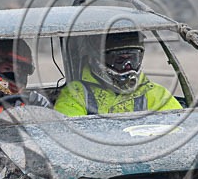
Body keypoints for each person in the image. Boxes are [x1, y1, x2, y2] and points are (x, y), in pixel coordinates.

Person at [53, 32, 182, 116]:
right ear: (97, 60)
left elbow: (178, 133)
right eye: (119, 60)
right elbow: (67, 137)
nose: (128, 66)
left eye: (133, 59)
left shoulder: (156, 94)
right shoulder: (77, 94)